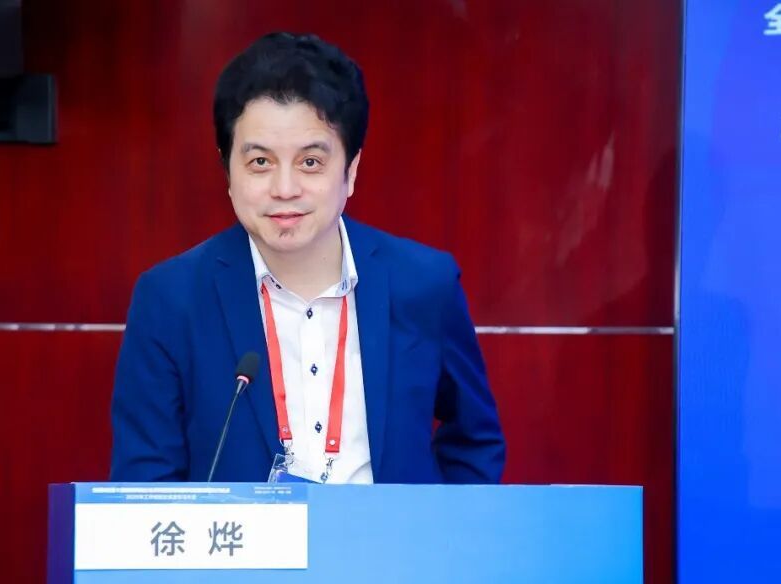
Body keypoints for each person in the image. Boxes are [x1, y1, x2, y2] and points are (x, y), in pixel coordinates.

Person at [110, 32, 504, 485]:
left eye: (310, 162)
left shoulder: (425, 285)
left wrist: (441, 526)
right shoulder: (170, 300)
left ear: (350, 171)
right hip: (239, 535)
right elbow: (144, 483)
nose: (285, 188)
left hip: (389, 534)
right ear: (227, 171)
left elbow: (474, 441)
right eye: (260, 162)